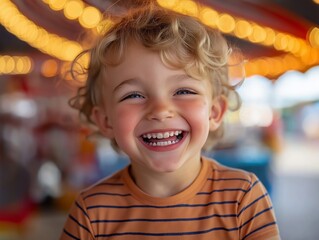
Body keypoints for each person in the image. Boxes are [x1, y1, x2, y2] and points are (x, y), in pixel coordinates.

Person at [60, 2, 280, 239]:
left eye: (184, 91)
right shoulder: (91, 214)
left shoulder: (243, 199)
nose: (160, 110)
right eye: (133, 95)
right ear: (105, 121)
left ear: (215, 112)